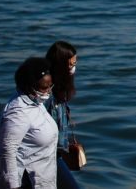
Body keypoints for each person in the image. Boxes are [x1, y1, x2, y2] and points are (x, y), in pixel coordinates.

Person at [0, 57, 59, 189]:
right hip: (27, 181)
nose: (49, 90)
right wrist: (14, 186)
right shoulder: (18, 113)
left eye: (50, 85)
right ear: (30, 87)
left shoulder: (35, 101)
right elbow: (7, 151)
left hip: (43, 174)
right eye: (45, 87)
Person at [45, 42, 81, 189]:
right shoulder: (46, 94)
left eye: (75, 64)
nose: (73, 69)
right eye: (70, 65)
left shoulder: (60, 90)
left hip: (57, 154)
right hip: (46, 156)